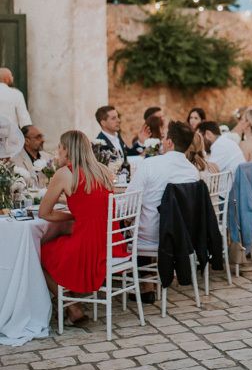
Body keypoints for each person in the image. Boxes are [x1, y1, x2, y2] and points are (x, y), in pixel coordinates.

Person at [39, 130, 129, 323]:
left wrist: (72, 215)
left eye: (59, 148)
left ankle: (73, 307)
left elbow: (44, 213)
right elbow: (94, 202)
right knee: (59, 242)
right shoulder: (103, 170)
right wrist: (78, 213)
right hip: (112, 243)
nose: (58, 151)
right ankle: (71, 298)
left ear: (66, 150)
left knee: (42, 252)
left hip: (89, 248)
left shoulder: (64, 173)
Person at [127, 121, 199, 252]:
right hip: (182, 233)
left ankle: (132, 269)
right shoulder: (193, 171)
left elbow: (129, 204)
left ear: (170, 142)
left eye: (164, 137)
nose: (161, 140)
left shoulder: (149, 164)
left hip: (150, 235)